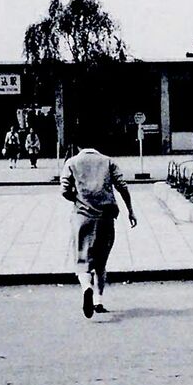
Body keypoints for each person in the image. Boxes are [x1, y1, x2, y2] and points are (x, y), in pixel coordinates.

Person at [60, 133, 137, 318]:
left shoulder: (72, 162)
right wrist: (130, 210)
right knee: (101, 261)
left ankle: (87, 287)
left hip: (82, 217)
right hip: (106, 217)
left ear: (78, 146)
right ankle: (99, 301)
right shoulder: (108, 161)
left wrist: (78, 199)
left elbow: (64, 190)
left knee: (82, 260)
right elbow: (122, 186)